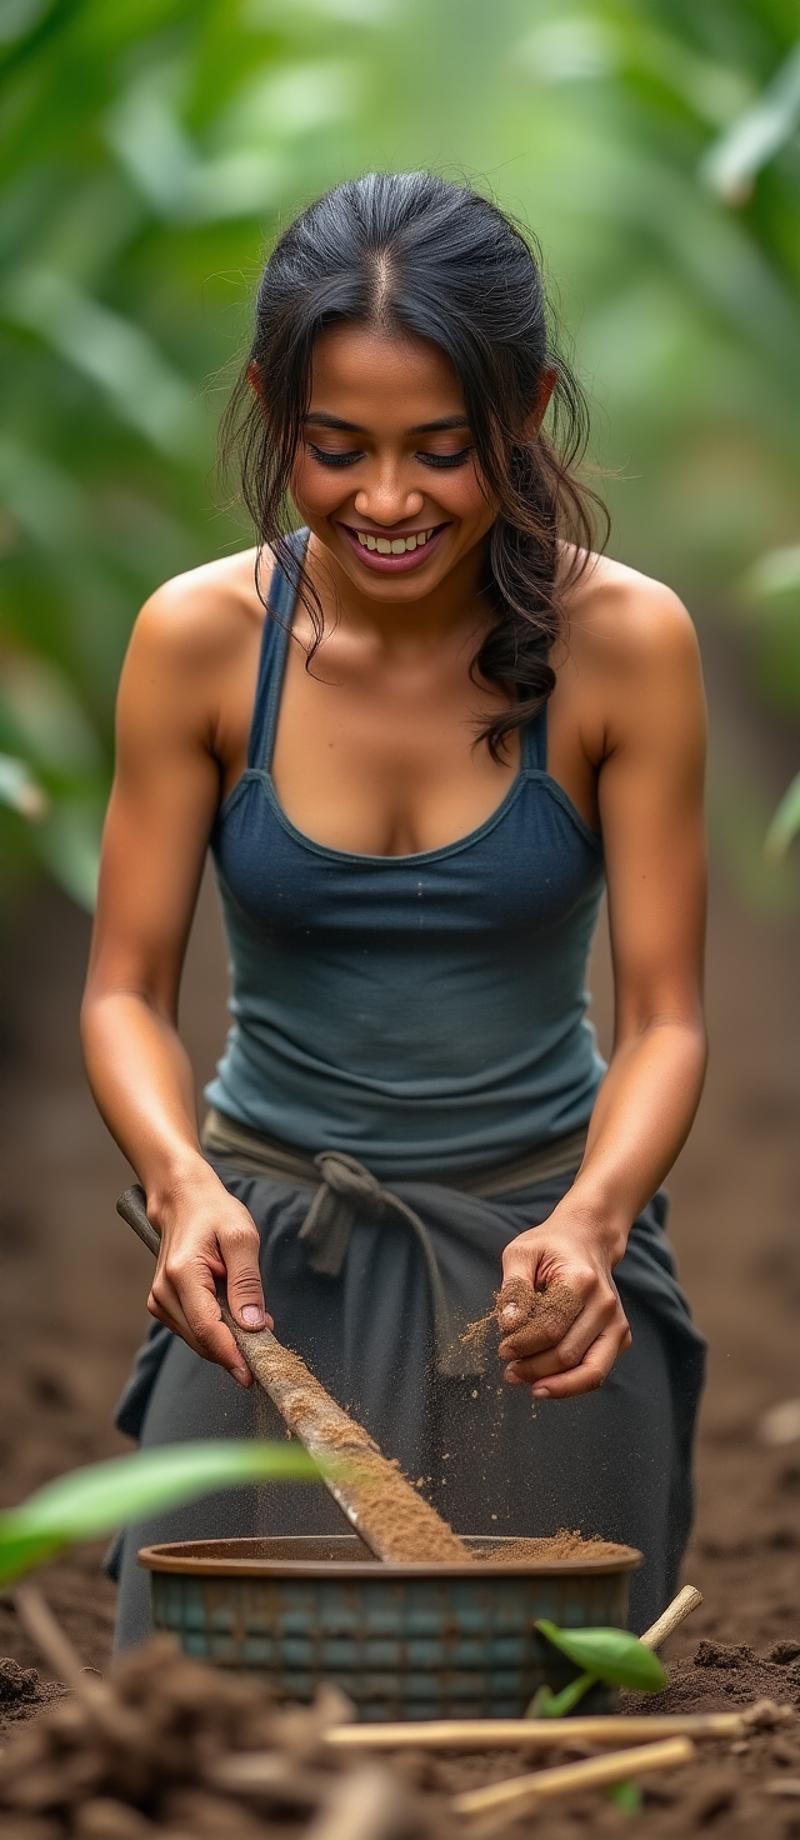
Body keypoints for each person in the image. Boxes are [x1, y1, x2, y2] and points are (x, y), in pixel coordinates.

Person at [80, 170, 708, 1652]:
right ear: (269, 406)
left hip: (537, 1262)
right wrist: (181, 1185)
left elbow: (671, 1016)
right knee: (194, 1685)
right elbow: (122, 988)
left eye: (444, 450)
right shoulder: (199, 640)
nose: (386, 500)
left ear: (529, 409)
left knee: (537, 1664)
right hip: (261, 1257)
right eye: (335, 449)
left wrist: (595, 1224)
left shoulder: (628, 644)